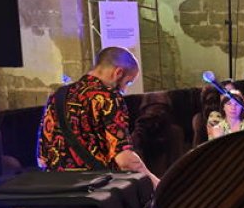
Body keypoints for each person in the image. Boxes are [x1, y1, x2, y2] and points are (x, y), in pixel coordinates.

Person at [37, 47, 158, 187]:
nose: (124, 90)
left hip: (59, 189)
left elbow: (43, 157)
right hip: (95, 192)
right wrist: (155, 182)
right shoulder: (108, 98)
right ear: (118, 72)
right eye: (127, 82)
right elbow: (124, 159)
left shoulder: (57, 96)